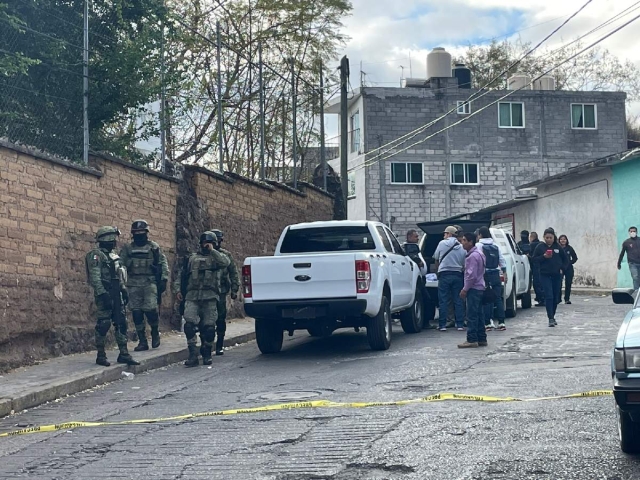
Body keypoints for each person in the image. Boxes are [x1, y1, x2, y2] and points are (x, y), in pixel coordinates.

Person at [173, 231, 230, 367]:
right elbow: (182, 275)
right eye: (204, 243)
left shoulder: (217, 258)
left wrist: (212, 251)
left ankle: (207, 351)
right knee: (189, 324)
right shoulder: (192, 258)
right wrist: (178, 290)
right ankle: (192, 353)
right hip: (192, 296)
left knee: (209, 328)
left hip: (210, 297)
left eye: (209, 243)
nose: (206, 245)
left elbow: (225, 263)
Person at [85, 226, 139, 367]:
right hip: (105, 292)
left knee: (121, 322)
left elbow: (119, 275)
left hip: (117, 292)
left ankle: (124, 353)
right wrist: (103, 294)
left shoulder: (114, 255)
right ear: (106, 239)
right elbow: (95, 278)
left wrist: (123, 290)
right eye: (112, 239)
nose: (114, 242)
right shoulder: (96, 255)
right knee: (104, 324)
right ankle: (101, 355)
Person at [119, 220, 169, 351]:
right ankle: (142, 340)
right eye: (137, 233)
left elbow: (163, 263)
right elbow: (120, 264)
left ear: (146, 233)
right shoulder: (128, 249)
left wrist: (163, 279)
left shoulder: (154, 247)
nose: (139, 236)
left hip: (149, 282)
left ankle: (154, 331)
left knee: (151, 309)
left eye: (142, 233)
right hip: (133, 283)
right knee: (136, 312)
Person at [210, 229, 240, 355]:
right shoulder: (204, 254)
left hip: (221, 291)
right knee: (207, 319)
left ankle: (219, 344)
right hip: (207, 291)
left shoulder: (226, 255)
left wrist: (234, 289)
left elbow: (233, 272)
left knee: (220, 318)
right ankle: (208, 343)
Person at [532, 228, 569, 327]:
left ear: (554, 238)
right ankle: (550, 318)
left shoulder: (558, 247)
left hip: (557, 275)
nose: (548, 239)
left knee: (556, 297)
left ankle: (553, 314)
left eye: (550, 238)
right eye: (547, 237)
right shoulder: (540, 247)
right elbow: (534, 259)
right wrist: (544, 256)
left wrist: (562, 268)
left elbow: (566, 260)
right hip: (544, 275)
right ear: (544, 237)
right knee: (549, 296)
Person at [434, 226, 466, 331]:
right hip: (457, 274)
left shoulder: (442, 244)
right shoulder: (461, 247)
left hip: (444, 274)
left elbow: (436, 258)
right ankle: (460, 324)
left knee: (443, 300)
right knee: (458, 300)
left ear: (449, 234)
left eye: (445, 233)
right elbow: (464, 262)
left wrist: (437, 271)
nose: (444, 236)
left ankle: (442, 325)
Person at [458, 232, 487, 348]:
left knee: (472, 315)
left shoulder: (472, 256)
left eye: (465, 240)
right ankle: (481, 338)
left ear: (471, 242)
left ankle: (472, 339)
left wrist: (465, 289)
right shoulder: (480, 254)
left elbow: (471, 276)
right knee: (479, 314)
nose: (462, 243)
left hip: (473, 288)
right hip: (480, 287)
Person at [477, 227, 507, 331]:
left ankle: (487, 323)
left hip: (485, 274)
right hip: (496, 273)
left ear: (480, 235)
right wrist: (504, 272)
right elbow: (502, 260)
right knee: (497, 298)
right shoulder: (495, 246)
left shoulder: (479, 246)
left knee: (486, 298)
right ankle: (502, 322)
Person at [618, 226, 640, 291]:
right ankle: (636, 293)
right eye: (631, 231)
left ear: (636, 232)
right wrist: (619, 263)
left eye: (634, 231)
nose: (633, 232)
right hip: (632, 263)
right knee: (635, 277)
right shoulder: (626, 242)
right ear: (629, 233)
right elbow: (622, 253)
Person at [558, 235, 578, 304]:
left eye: (564, 239)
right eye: (561, 239)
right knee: (559, 284)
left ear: (566, 240)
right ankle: (558, 298)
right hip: (560, 268)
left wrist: (569, 263)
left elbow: (575, 258)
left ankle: (567, 299)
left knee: (568, 284)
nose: (563, 241)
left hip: (569, 268)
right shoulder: (557, 248)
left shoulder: (569, 248)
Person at [529, 231, 544, 306]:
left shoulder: (532, 245)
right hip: (542, 266)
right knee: (541, 283)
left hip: (536, 266)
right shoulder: (541, 244)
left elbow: (532, 256)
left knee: (536, 283)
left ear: (532, 237)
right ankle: (541, 298)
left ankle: (541, 299)